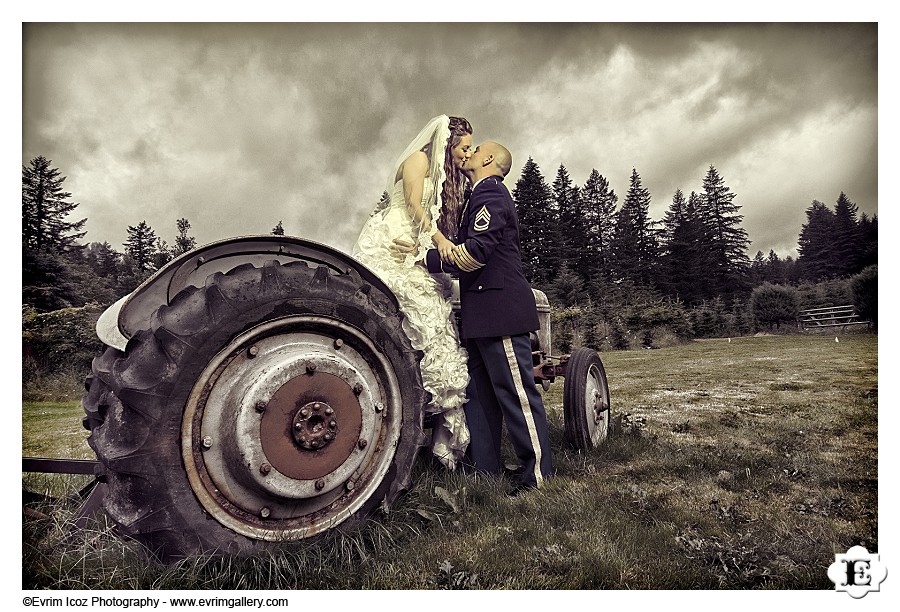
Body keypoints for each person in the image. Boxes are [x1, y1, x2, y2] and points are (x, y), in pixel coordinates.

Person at [421, 141, 554, 494]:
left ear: (490, 159)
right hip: (482, 315)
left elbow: (477, 254)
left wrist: (429, 261)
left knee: (516, 395)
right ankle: (484, 473)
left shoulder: (491, 194)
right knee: (479, 397)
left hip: (501, 311)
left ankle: (538, 477)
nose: (471, 151)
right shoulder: (476, 197)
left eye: (477, 148)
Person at [353, 115, 474, 469]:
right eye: (464, 147)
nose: (466, 153)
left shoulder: (446, 176)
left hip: (418, 245)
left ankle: (436, 440)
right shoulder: (418, 159)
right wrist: (437, 240)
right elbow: (414, 204)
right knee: (413, 319)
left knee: (437, 331)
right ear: (447, 140)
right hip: (396, 240)